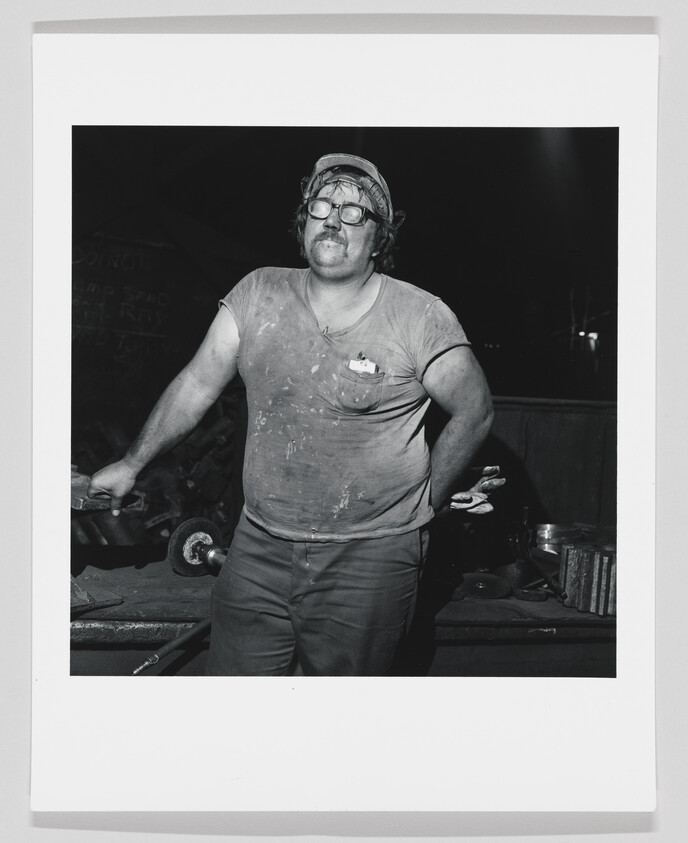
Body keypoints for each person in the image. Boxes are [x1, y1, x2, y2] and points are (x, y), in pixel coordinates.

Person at [88, 152, 503, 676]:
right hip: (258, 546)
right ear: (303, 221)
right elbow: (196, 384)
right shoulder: (258, 292)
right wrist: (131, 464)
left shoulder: (419, 316)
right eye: (321, 205)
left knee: (336, 727)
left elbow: (475, 411)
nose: (332, 218)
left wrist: (424, 505)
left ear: (380, 238)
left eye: (354, 212)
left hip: (368, 562)